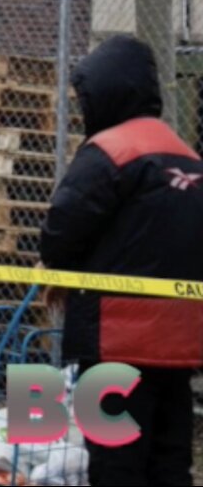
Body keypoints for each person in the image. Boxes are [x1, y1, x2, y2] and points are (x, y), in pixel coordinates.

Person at [39, 35, 203, 487]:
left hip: (114, 345)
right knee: (170, 465)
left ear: (105, 92)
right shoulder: (187, 156)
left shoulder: (109, 152)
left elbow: (58, 236)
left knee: (114, 466)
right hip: (178, 344)